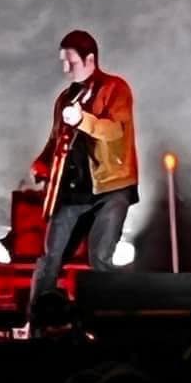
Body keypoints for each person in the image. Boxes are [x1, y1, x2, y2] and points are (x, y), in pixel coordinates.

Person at [29, 30, 137, 320]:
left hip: (111, 186)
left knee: (100, 257)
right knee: (50, 258)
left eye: (71, 62)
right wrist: (42, 162)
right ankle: (36, 323)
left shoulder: (116, 88)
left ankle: (105, 325)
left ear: (90, 59)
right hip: (72, 190)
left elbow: (115, 130)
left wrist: (83, 119)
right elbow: (56, 138)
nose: (66, 69)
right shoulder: (65, 98)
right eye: (63, 62)